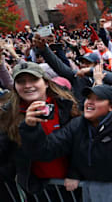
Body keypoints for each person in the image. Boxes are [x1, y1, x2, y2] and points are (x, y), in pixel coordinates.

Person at [18, 38, 112, 195]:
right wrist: (30, 128)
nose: (90, 102)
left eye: (98, 99)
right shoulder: (77, 125)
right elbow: (46, 150)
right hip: (93, 196)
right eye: (88, 98)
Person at [0, 62, 80, 201]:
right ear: (15, 87)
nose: (28, 85)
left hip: (72, 185)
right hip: (37, 189)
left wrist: (76, 172)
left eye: (34, 79)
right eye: (21, 82)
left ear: (46, 83)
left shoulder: (66, 106)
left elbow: (81, 144)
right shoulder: (8, 114)